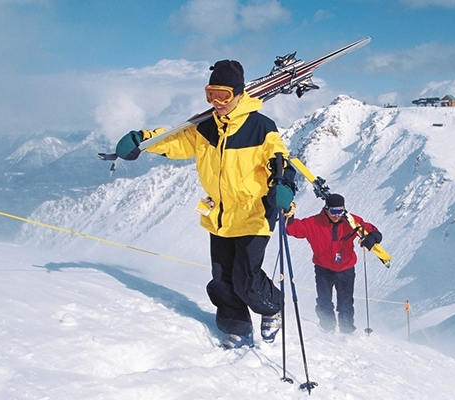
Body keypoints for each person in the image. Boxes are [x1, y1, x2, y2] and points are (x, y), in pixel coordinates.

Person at [114, 60, 297, 349]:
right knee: (222, 279)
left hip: (253, 213)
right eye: (211, 95)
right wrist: (143, 141)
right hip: (220, 215)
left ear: (239, 94)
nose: (217, 103)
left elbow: (279, 159)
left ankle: (272, 307)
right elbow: (176, 141)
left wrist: (283, 184)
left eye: (223, 95)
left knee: (246, 279)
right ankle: (237, 327)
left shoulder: (260, 127)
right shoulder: (206, 127)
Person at [286, 193, 382, 333]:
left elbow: (372, 230)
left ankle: (347, 331)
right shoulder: (313, 223)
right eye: (333, 211)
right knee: (324, 301)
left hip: (346, 269)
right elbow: (293, 229)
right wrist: (288, 216)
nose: (337, 215)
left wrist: (373, 237)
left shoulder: (351, 222)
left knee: (345, 303)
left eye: (340, 211)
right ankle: (327, 328)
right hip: (323, 269)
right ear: (326, 209)